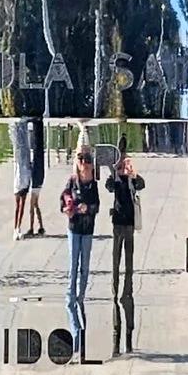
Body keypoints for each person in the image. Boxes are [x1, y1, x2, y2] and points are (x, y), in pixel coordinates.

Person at [106, 153, 146, 355]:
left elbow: (142, 185)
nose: (124, 167)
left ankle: (127, 287)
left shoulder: (132, 181)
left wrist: (133, 174)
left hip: (129, 224)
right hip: (118, 224)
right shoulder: (116, 179)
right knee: (116, 261)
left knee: (128, 263)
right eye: (122, 164)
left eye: (126, 164)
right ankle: (115, 286)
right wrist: (115, 172)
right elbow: (108, 186)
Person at [60, 151, 100, 341]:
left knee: (85, 266)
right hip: (74, 228)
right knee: (73, 265)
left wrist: (87, 208)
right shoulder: (72, 181)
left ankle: (81, 296)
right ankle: (70, 298)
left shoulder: (93, 185)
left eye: (87, 161)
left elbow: (97, 206)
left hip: (88, 229)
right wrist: (67, 210)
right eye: (81, 160)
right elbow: (63, 200)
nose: (84, 164)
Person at [26, 112, 50, 238]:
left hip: (38, 181)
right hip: (37, 181)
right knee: (33, 206)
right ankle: (36, 228)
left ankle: (36, 228)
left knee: (34, 206)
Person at [10, 117, 32, 241]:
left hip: (22, 179)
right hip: (22, 179)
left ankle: (17, 228)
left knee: (20, 205)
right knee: (19, 205)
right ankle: (16, 228)